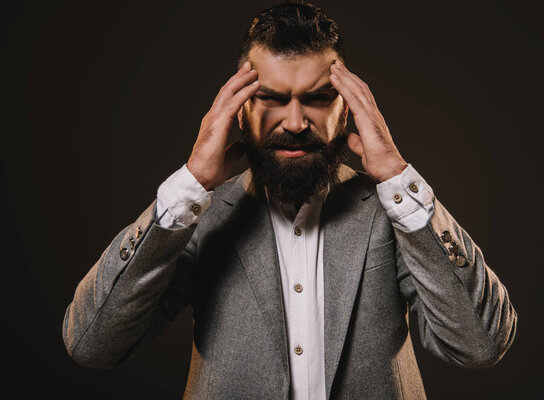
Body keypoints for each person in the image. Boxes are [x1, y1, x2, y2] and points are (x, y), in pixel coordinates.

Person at [62, 2, 517, 399]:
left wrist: (399, 178)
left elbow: (479, 346)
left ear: (347, 104)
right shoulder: (196, 216)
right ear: (238, 106)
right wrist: (188, 186)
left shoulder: (393, 212)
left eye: (318, 98)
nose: (295, 122)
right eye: (271, 98)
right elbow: (92, 344)